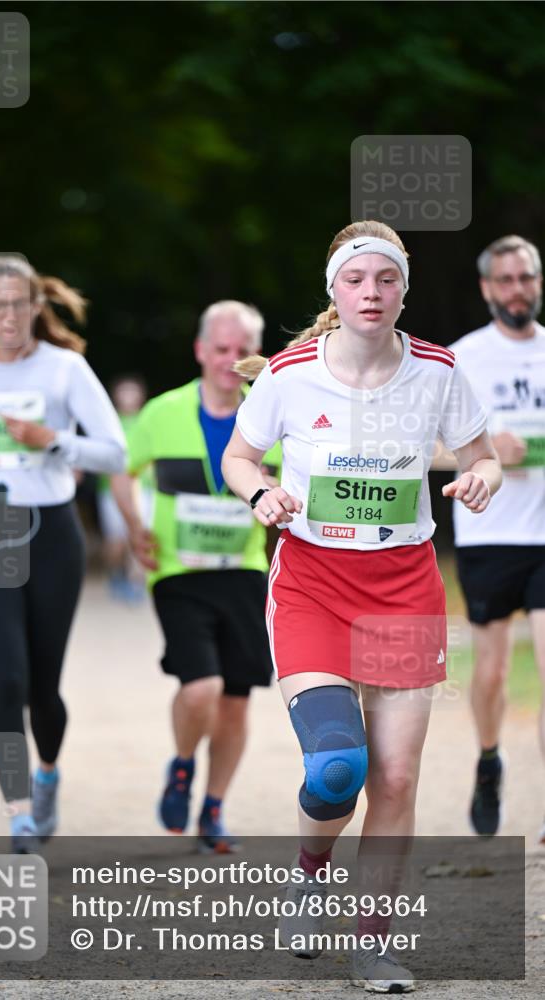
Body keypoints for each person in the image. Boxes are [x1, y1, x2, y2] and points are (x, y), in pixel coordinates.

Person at [222, 220, 501, 993]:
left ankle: (372, 945)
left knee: (397, 778)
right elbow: (239, 456)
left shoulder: (438, 370)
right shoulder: (290, 373)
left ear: (402, 290)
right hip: (312, 585)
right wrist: (260, 492)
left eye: (385, 279)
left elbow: (481, 456)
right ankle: (309, 874)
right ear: (333, 290)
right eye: (355, 279)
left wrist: (479, 479)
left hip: (402, 589)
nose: (370, 293)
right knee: (337, 766)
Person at [0, 256, 126, 851]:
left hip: (51, 532)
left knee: (44, 688)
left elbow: (115, 452)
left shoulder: (65, 368)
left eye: (18, 304)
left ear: (36, 307)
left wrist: (54, 440)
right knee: (9, 677)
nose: (8, 315)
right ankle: (19, 813)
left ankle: (46, 776)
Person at [112, 300, 280, 853]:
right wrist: (134, 527)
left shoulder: (273, 413)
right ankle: (183, 764)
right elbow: (121, 471)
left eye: (242, 350)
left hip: (245, 570)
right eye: (221, 349)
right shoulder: (161, 412)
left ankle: (213, 808)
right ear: (200, 351)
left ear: (256, 355)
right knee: (201, 686)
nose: (231, 360)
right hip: (178, 572)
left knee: (235, 699)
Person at [445, 236, 544, 841]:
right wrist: (486, 452)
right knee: (492, 672)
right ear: (486, 288)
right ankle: (488, 760)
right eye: (505, 279)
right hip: (489, 533)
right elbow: (425, 446)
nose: (517, 289)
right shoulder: (463, 359)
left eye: (526, 277)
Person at [97, 375, 153, 602]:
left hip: (144, 488)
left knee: (140, 534)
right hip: (111, 490)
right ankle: (115, 575)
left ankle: (136, 580)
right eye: (124, 391)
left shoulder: (148, 420)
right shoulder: (108, 422)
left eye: (133, 391)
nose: (128, 396)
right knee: (116, 540)